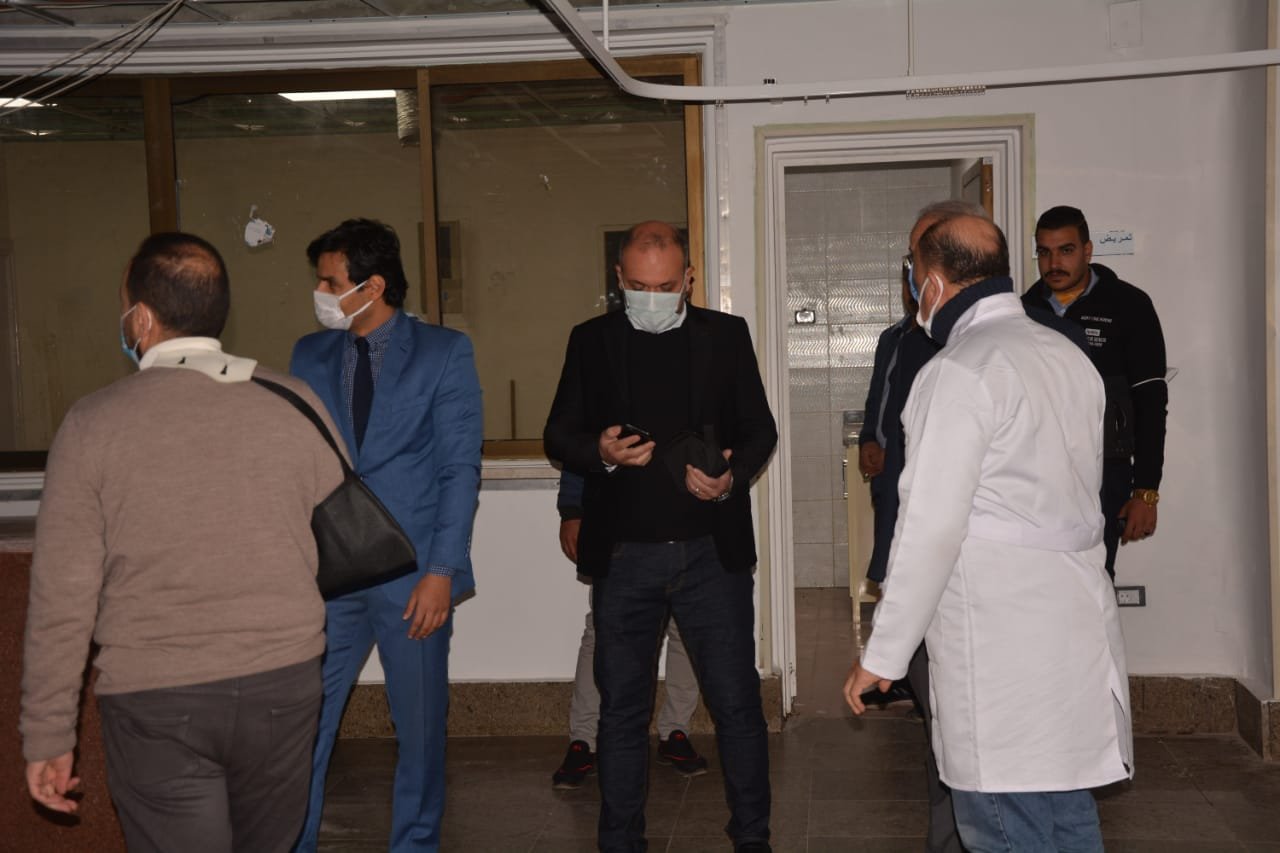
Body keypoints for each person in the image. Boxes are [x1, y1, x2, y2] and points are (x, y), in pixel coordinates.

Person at [20, 232, 344, 853]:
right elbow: (335, 530)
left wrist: (48, 734)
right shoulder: (294, 403)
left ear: (140, 319)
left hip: (156, 696)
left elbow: (62, 598)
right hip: (283, 684)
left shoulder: (93, 424)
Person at [844, 214, 1133, 852]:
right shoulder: (1065, 354)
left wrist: (882, 656)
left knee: (1005, 821)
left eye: (914, 271)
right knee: (1067, 811)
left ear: (932, 283)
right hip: (1072, 625)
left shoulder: (959, 371)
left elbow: (929, 531)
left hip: (1000, 640)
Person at [544, 220, 778, 853]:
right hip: (625, 559)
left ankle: (752, 838)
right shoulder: (590, 340)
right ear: (619, 278)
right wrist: (598, 451)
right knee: (621, 713)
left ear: (689, 279)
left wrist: (730, 477)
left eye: (666, 286)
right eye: (639, 287)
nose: (652, 297)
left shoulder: (726, 335)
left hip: (712, 559)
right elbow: (558, 434)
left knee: (737, 707)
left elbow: (759, 429)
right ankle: (621, 841)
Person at [290, 218, 483, 853]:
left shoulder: (443, 352)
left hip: (413, 577)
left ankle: (414, 845)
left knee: (419, 733)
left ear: (371, 287)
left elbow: (459, 470)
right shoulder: (308, 355)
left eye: (330, 282)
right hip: (330, 575)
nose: (320, 293)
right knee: (304, 727)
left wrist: (441, 572)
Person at [1022, 205, 1168, 577]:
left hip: (1105, 474)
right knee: (1039, 582)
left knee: (1095, 579)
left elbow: (1151, 401)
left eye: (1066, 250)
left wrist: (1145, 491)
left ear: (1087, 251)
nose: (1054, 263)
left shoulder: (1129, 305)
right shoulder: (1023, 311)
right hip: (1034, 477)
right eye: (1044, 252)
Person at [552, 470, 708, 789]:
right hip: (618, 529)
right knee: (601, 632)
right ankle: (584, 740)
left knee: (685, 630)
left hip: (687, 528)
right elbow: (578, 449)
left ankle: (675, 731)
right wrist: (571, 511)